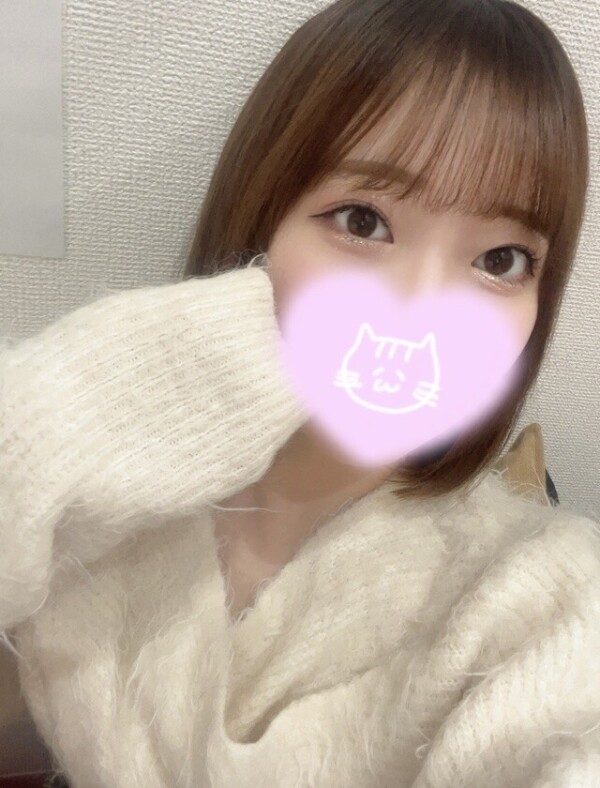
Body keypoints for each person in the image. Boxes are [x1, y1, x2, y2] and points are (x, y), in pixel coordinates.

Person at [1, 1, 599, 786]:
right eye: (364, 220)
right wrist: (56, 418)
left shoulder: (539, 592)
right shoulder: (104, 505)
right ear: (258, 225)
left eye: (500, 261)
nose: (422, 311)